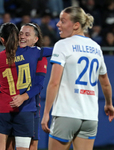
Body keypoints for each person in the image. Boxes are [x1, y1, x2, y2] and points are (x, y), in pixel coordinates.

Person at [41, 6, 114, 150]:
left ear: (76, 25)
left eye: (63, 21)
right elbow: (105, 83)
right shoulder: (96, 47)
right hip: (90, 117)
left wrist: (45, 113)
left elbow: (54, 83)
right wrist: (108, 104)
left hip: (66, 114)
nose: (58, 24)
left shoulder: (62, 45)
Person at [0, 23, 51, 150]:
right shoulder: (35, 53)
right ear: (16, 36)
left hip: (19, 107)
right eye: (21, 34)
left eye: (27, 34)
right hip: (25, 108)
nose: (23, 37)